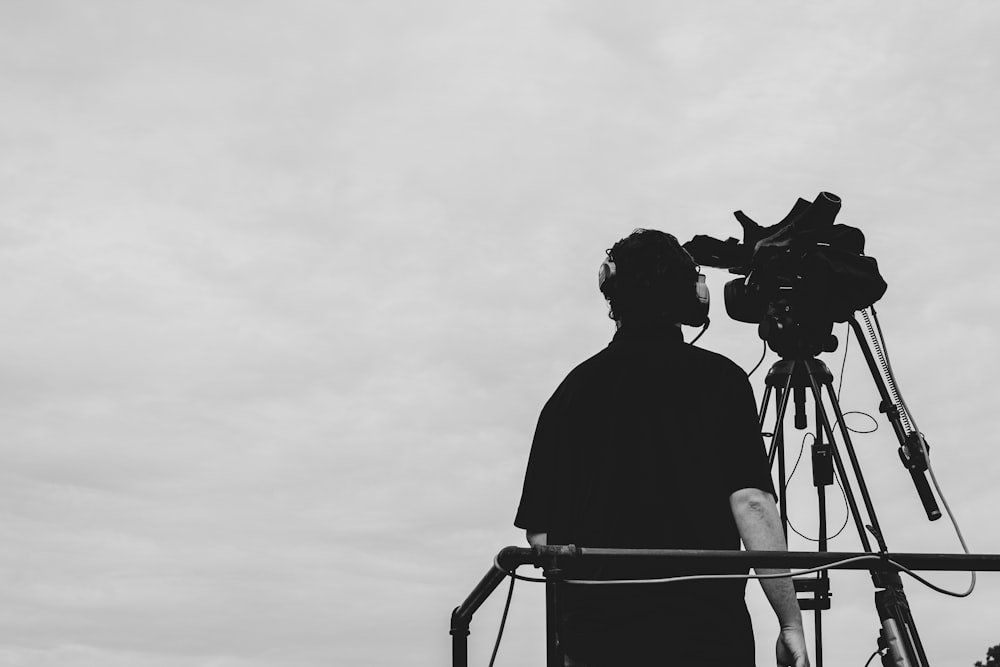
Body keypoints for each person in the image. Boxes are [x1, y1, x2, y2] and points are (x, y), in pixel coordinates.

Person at [514, 229, 809, 666]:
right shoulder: (723, 381)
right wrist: (789, 623)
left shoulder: (569, 395)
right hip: (708, 636)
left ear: (612, 290)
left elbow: (540, 534)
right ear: (693, 297)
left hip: (597, 639)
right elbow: (752, 505)